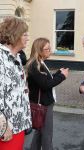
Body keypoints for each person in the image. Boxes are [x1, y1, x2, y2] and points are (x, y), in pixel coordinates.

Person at [26, 37, 69, 150]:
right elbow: (46, 85)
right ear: (39, 50)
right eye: (47, 49)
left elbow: (47, 80)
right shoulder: (34, 65)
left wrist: (58, 73)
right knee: (47, 134)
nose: (50, 50)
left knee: (40, 132)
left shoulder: (40, 63)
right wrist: (62, 76)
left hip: (45, 103)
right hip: (43, 105)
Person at [0, 16, 32, 149]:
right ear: (15, 35)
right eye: (25, 34)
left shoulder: (16, 57)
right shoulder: (1, 58)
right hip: (7, 127)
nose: (28, 38)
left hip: (18, 124)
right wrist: (3, 125)